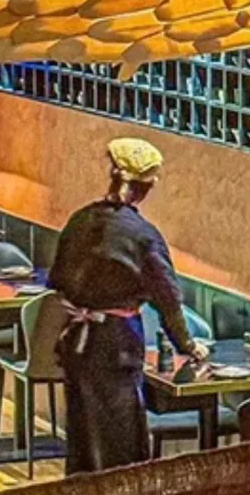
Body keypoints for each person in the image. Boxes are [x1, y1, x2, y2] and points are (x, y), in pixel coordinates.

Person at [49, 137, 209, 473]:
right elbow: (168, 300)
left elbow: (58, 280)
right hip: (116, 346)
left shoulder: (79, 221)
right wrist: (188, 345)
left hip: (76, 345)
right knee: (121, 450)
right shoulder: (142, 235)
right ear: (146, 188)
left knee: (82, 444)